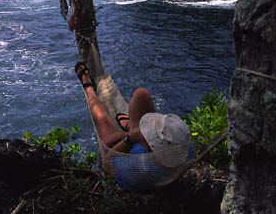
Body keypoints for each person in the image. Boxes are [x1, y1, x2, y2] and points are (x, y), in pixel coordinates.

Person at [75, 62, 194, 192]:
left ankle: (88, 87)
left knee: (103, 122)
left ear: (149, 144)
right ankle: (129, 125)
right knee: (141, 94)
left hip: (131, 162)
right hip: (159, 154)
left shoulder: (137, 165)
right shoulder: (180, 149)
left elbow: (107, 163)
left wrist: (130, 138)